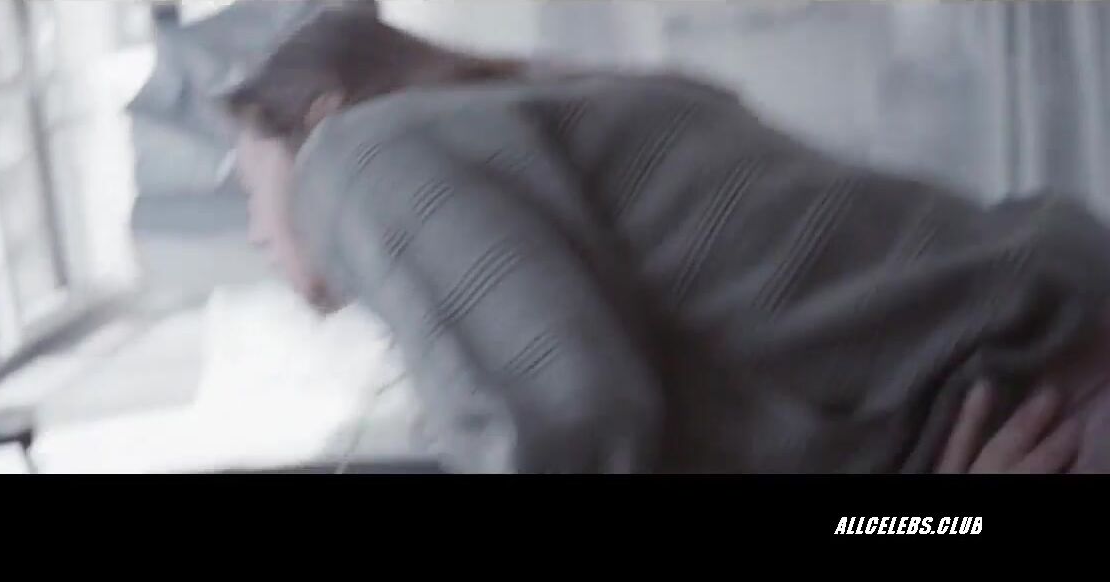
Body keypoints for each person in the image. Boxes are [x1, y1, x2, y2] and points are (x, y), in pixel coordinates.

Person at [222, 9, 1110, 473]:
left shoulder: (350, 157)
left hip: (1050, 413)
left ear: (319, 113)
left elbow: (571, 428)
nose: (257, 230)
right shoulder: (569, 124)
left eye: (247, 177)